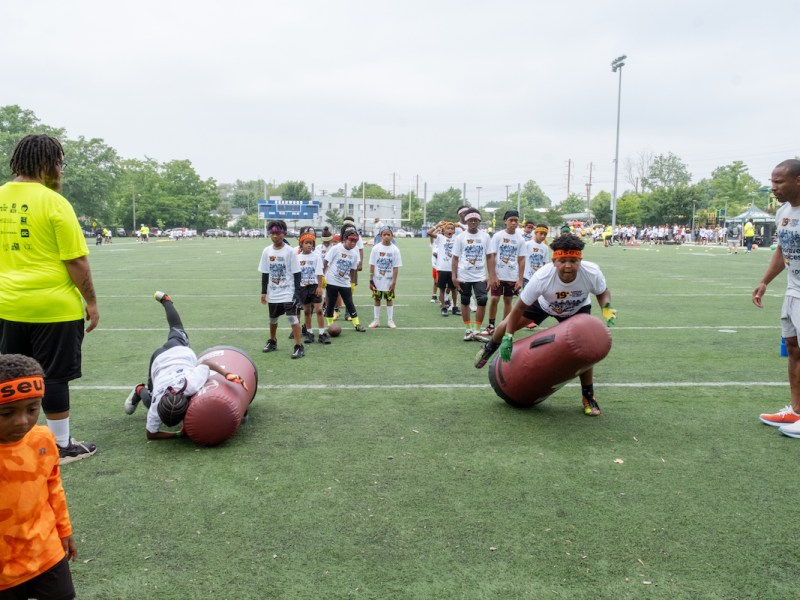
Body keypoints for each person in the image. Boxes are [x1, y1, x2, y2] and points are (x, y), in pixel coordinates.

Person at [0, 134, 99, 465]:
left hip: (7, 306)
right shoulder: (55, 202)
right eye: (60, 163)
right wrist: (92, 302)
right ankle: (60, 445)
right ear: (47, 164)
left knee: (12, 374)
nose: (61, 170)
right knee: (53, 376)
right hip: (54, 308)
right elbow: (76, 261)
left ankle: (15, 441)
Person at [474, 234, 616, 416]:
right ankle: (489, 346)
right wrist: (508, 337)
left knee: (584, 352)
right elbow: (518, 308)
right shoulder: (543, 277)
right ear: (554, 260)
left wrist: (607, 308)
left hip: (576, 309)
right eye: (563, 260)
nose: (568, 266)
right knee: (504, 325)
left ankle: (588, 396)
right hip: (544, 305)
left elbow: (602, 291)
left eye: (573, 261)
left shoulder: (591, 272)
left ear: (580, 260)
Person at [0, 354, 78, 598]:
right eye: (7, 413)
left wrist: (64, 530)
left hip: (46, 551)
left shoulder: (43, 439)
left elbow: (53, 487)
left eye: (32, 409)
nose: (22, 421)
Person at [123, 292, 247, 438]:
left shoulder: (191, 384)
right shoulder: (191, 384)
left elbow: (206, 363)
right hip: (160, 361)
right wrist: (177, 434)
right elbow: (150, 434)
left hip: (172, 354)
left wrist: (227, 374)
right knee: (151, 401)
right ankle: (139, 389)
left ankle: (166, 300)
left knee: (151, 401)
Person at [753, 159, 800, 438]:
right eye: (772, 181)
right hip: (793, 291)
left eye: (779, 181)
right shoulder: (783, 211)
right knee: (793, 349)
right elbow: (783, 250)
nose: (773, 187)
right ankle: (796, 409)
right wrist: (764, 282)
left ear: (798, 181)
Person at [258, 220, 305, 359]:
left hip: (288, 292)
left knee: (292, 318)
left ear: (284, 233)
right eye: (272, 233)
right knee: (272, 319)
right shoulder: (267, 251)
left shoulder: (290, 251)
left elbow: (297, 273)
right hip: (274, 292)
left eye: (278, 233)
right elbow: (265, 272)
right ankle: (272, 340)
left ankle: (298, 346)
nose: (275, 236)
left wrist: (297, 293)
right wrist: (263, 292)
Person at [451, 209, 491, 341]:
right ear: (466, 221)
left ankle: (477, 330)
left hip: (479, 275)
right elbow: (455, 258)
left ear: (479, 221)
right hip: (464, 275)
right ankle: (468, 330)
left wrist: (491, 276)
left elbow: (489, 257)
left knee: (482, 299)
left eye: (475, 220)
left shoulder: (485, 236)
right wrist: (454, 277)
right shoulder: (460, 237)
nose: (473, 222)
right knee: (465, 300)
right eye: (470, 220)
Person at [484, 210, 526, 335]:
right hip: (498, 275)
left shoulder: (520, 239)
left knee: (508, 300)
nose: (514, 223)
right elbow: (492, 256)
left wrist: (520, 279)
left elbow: (522, 260)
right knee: (494, 299)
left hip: (512, 276)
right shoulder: (498, 236)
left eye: (516, 220)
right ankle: (491, 325)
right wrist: (493, 275)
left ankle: (504, 325)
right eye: (511, 220)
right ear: (505, 221)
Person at [323, 226, 366, 332]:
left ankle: (357, 324)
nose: (353, 243)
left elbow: (353, 270)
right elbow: (325, 262)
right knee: (331, 302)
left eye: (355, 241)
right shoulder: (336, 248)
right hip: (332, 280)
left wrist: (352, 283)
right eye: (351, 240)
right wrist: (323, 276)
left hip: (345, 282)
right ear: (345, 239)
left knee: (349, 303)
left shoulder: (354, 254)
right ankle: (330, 324)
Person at [297, 229, 331, 344]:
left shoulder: (316, 257)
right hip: (303, 288)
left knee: (319, 310)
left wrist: (319, 287)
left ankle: (322, 333)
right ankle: (309, 332)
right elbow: (296, 275)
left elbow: (319, 273)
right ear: (301, 244)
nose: (309, 245)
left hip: (314, 286)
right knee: (307, 311)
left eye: (311, 243)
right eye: (306, 243)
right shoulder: (297, 258)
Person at [368, 226, 403, 328]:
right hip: (377, 280)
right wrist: (371, 280)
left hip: (389, 281)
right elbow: (372, 264)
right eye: (384, 234)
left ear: (392, 235)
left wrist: (394, 281)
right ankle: (376, 320)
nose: (386, 236)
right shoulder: (375, 248)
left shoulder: (395, 250)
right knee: (377, 299)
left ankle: (390, 320)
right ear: (380, 236)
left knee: (389, 300)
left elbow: (396, 267)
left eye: (389, 234)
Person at [428, 221, 459, 316]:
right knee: (442, 289)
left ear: (454, 231)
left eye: (452, 228)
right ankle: (443, 307)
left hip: (453, 269)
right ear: (444, 230)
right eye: (448, 228)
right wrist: (436, 225)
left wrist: (460, 226)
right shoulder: (441, 238)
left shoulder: (457, 239)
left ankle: (454, 307)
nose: (450, 230)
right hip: (442, 268)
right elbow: (429, 233)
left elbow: (467, 233)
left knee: (454, 289)